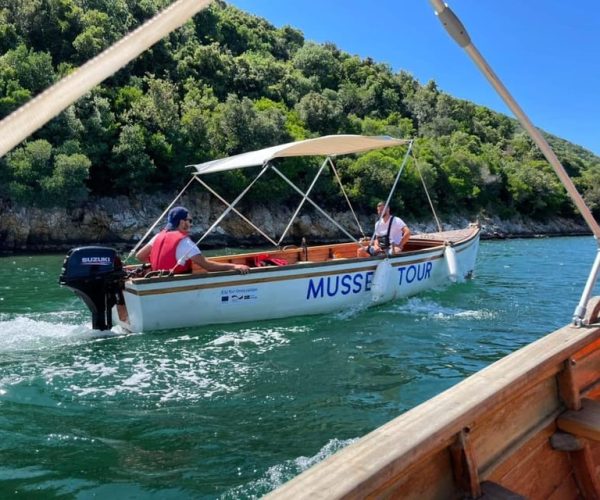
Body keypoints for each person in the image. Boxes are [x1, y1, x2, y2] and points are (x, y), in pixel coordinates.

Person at [136, 206, 250, 275]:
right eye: (189, 220)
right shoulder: (185, 242)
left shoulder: (157, 237)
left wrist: (161, 260)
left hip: (156, 281)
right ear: (182, 222)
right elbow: (207, 266)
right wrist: (234, 266)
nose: (191, 224)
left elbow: (140, 256)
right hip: (175, 284)